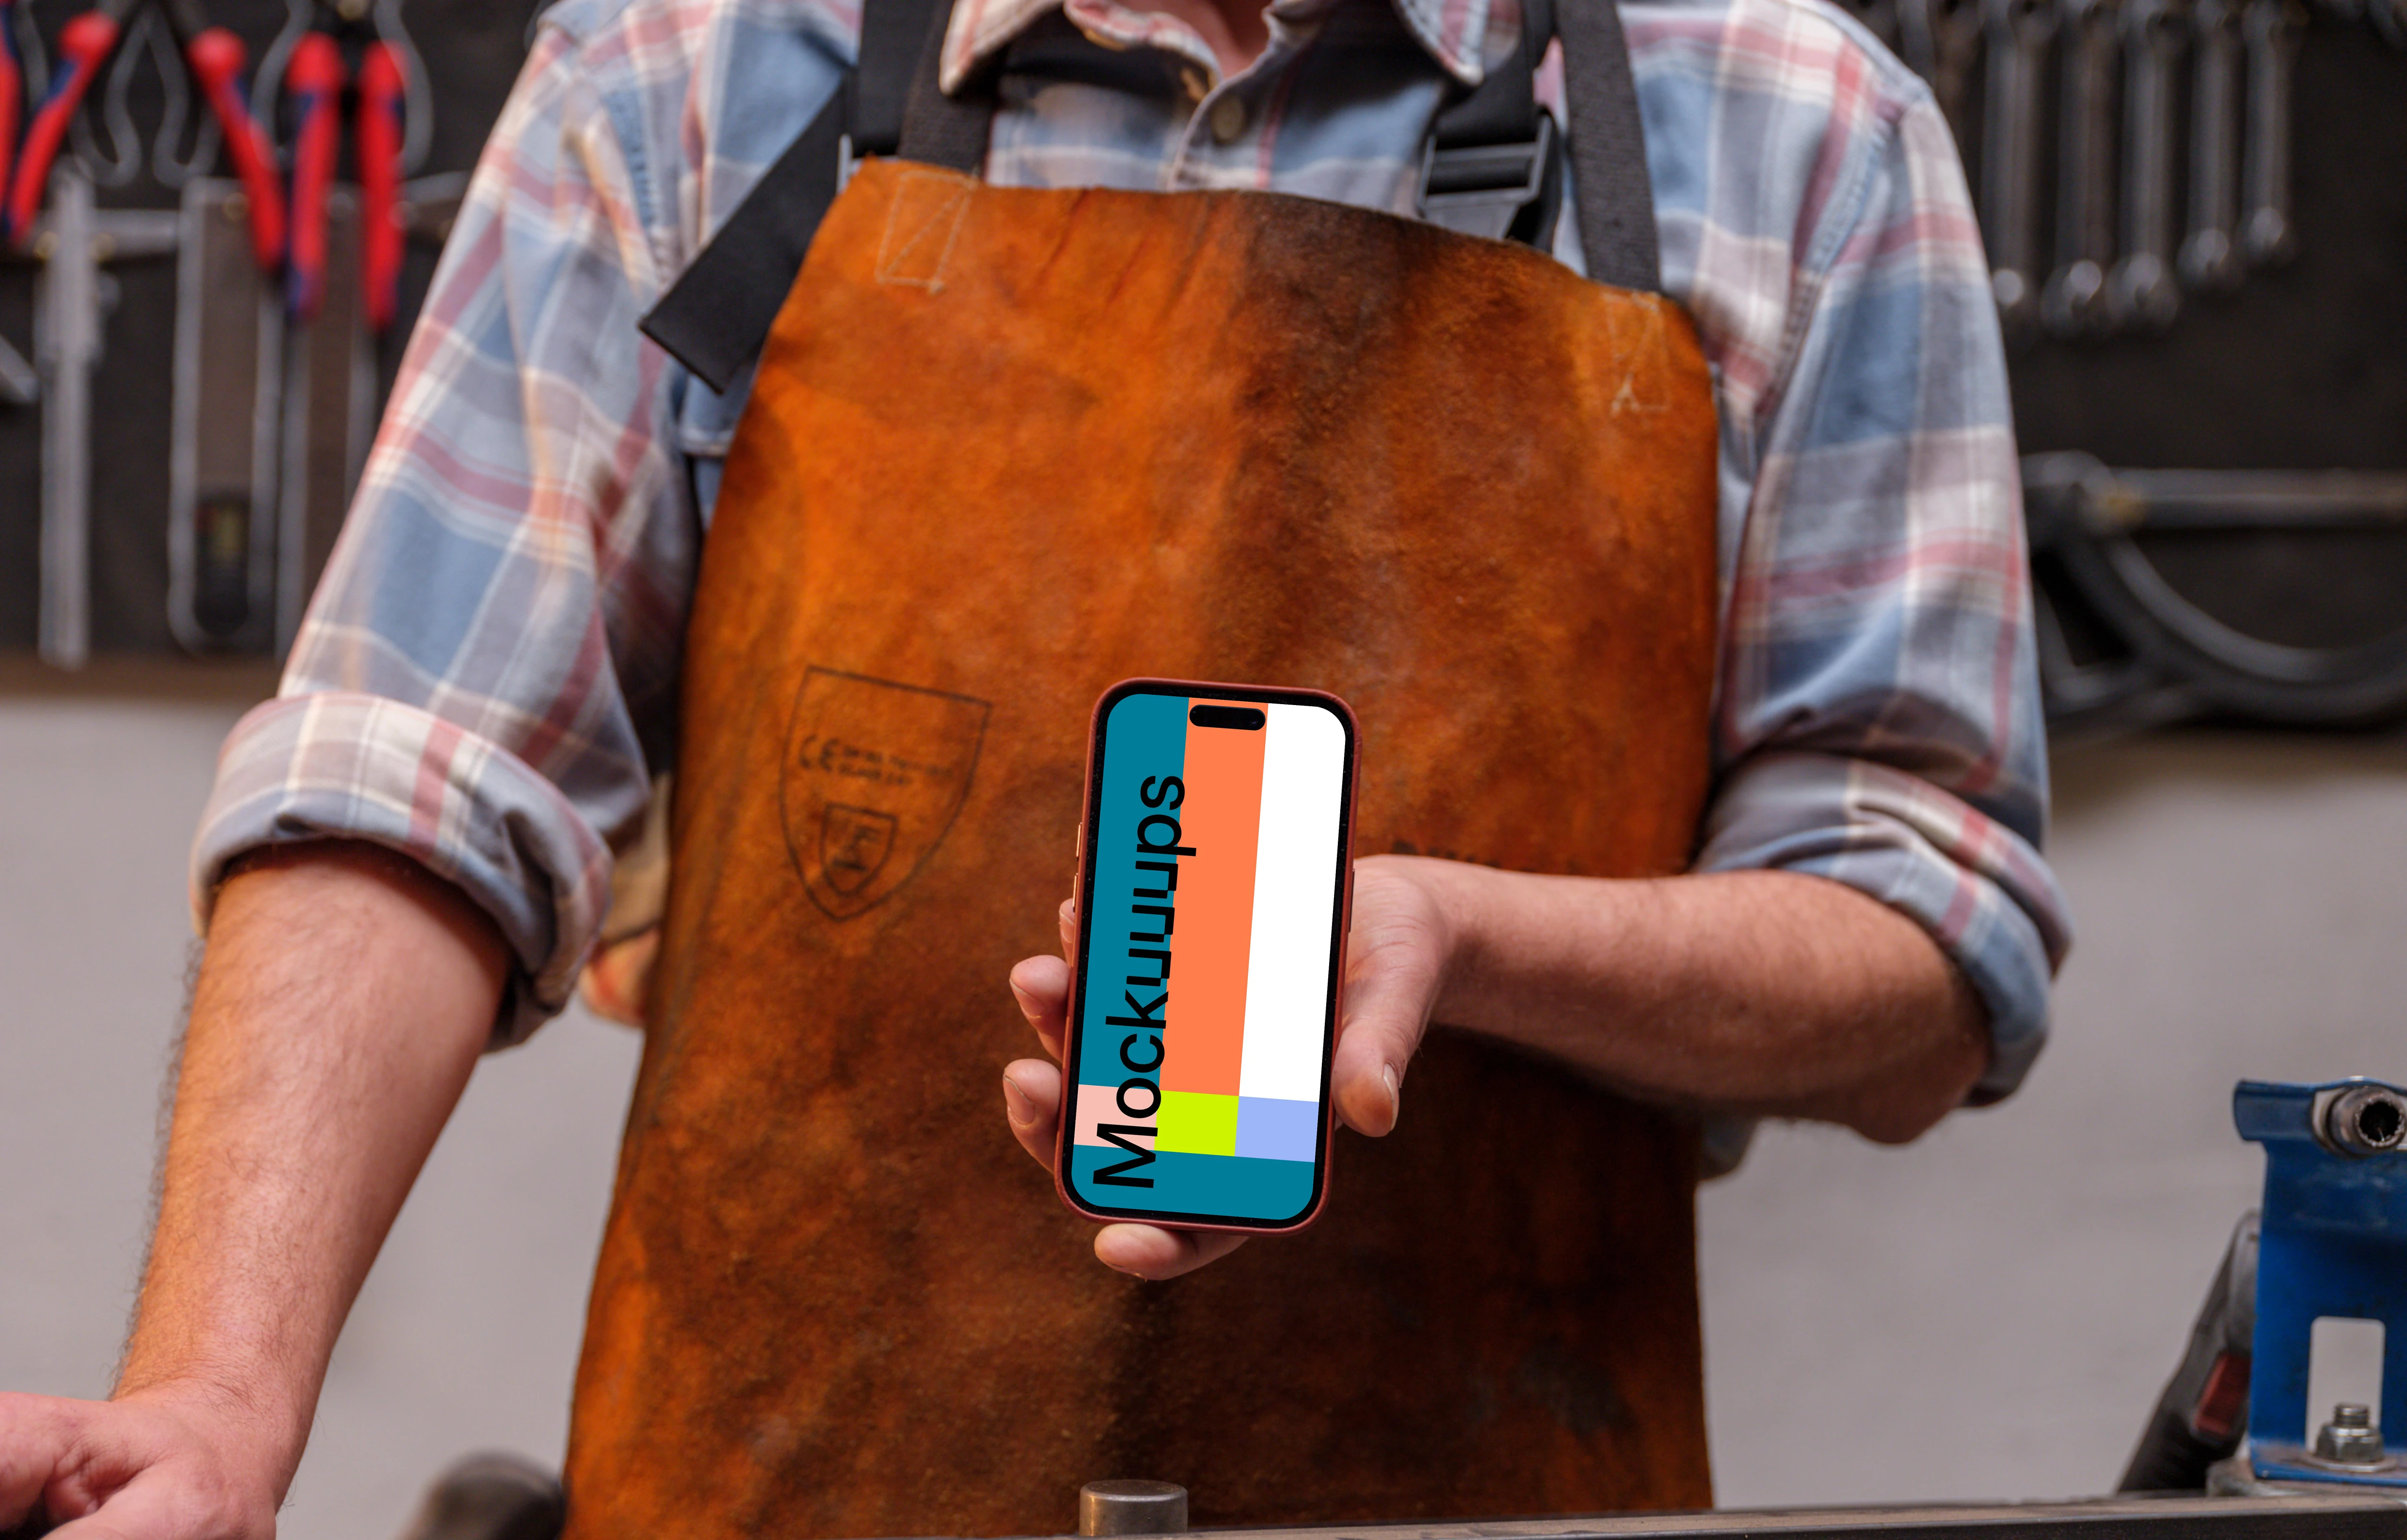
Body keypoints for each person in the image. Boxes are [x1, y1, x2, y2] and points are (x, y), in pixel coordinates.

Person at [0, 0, 2070, 1530]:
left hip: (1482, 1491)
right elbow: (417, 787)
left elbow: (1924, 947)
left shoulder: (1791, 129)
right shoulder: (687, 80)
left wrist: (1464, 941)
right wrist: (215, 1398)